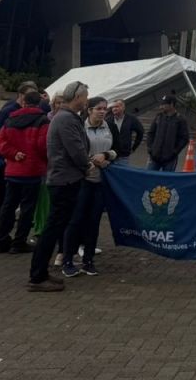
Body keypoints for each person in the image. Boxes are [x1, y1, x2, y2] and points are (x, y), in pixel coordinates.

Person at [28, 81, 98, 292]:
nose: (87, 101)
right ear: (77, 97)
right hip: (65, 180)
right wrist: (87, 165)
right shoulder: (66, 119)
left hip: (65, 178)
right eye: (86, 97)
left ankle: (41, 273)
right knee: (53, 228)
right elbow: (75, 149)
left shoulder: (66, 117)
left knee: (55, 227)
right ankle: (38, 276)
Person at [62, 96, 117, 277]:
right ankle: (67, 259)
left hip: (101, 181)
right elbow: (75, 151)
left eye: (105, 109)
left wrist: (106, 155)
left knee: (94, 222)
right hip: (82, 179)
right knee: (76, 220)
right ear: (89, 110)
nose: (102, 111)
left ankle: (89, 260)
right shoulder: (80, 127)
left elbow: (118, 149)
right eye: (98, 108)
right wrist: (92, 160)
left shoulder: (109, 127)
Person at [0, 89, 49, 254]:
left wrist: (12, 153)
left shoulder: (11, 119)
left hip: (13, 170)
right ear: (39, 103)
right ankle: (19, 242)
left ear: (23, 102)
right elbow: (43, 146)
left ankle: (1, 240)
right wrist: (45, 162)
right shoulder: (42, 120)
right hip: (32, 170)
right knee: (27, 209)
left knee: (8, 206)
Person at [146, 95, 189, 171]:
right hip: (154, 157)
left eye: (164, 104)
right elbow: (151, 133)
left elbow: (184, 138)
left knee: (167, 181)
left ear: (172, 104)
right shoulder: (159, 117)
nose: (161, 107)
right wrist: (150, 149)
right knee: (149, 178)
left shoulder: (180, 119)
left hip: (170, 159)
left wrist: (175, 152)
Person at [107, 98, 145, 166]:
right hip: (110, 154)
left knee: (122, 175)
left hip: (123, 155)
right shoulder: (108, 120)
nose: (114, 109)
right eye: (113, 107)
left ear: (123, 107)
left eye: (117, 106)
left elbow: (141, 132)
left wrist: (134, 147)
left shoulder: (131, 119)